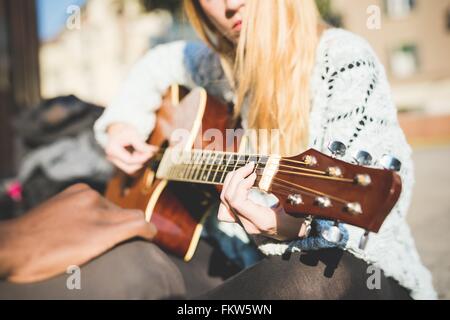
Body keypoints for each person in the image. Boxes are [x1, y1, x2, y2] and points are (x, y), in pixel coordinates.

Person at [93, 0, 436, 299]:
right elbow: (155, 64)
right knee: (129, 263)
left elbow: (370, 226)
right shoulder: (216, 65)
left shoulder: (344, 58)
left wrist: (291, 229)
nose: (231, 4)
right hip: (238, 260)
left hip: (360, 278)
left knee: (315, 276)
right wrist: (122, 123)